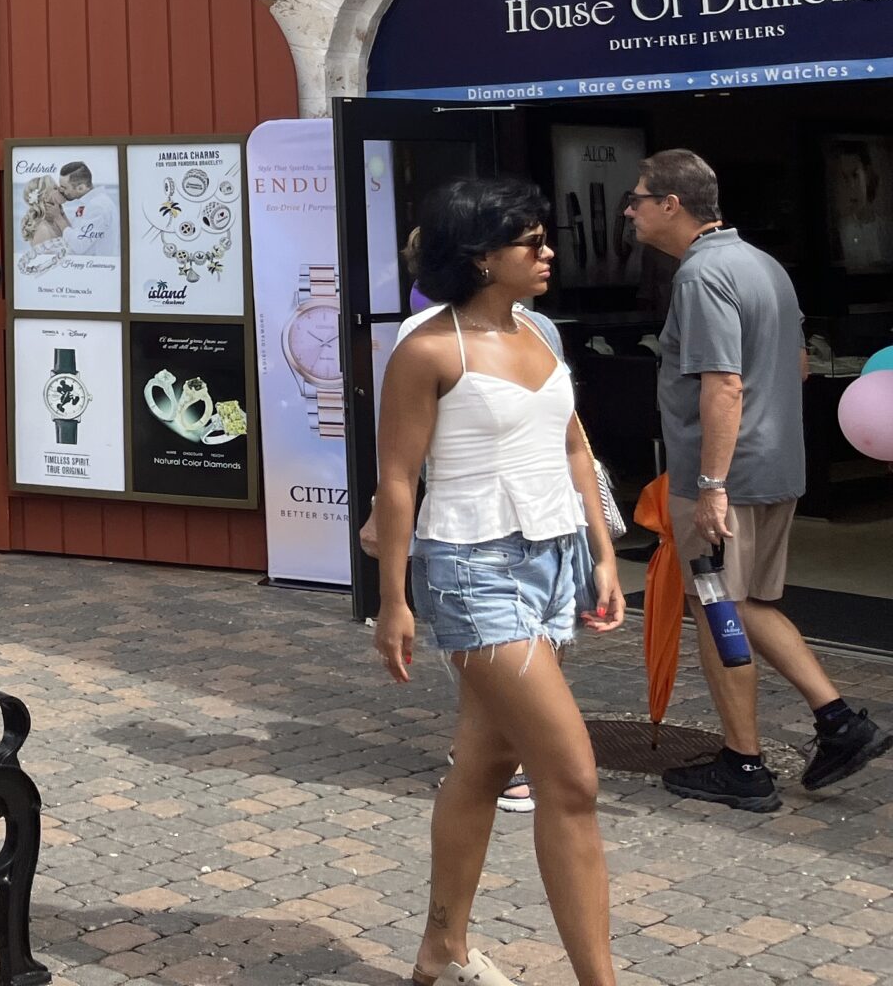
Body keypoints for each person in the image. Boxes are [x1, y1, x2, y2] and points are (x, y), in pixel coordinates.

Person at [373, 177, 624, 986]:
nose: (548, 252)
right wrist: (393, 600)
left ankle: (439, 949)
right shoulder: (428, 348)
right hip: (472, 569)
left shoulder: (537, 332)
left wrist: (604, 551)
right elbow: (398, 480)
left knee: (482, 764)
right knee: (572, 778)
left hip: (553, 562)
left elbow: (574, 446)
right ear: (481, 257)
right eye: (531, 241)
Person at [627, 150, 886, 805]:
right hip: (773, 465)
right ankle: (833, 723)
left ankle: (748, 762)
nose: (628, 210)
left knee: (720, 608)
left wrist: (711, 483)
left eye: (636, 199)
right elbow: (797, 363)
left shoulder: (702, 275)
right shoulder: (763, 265)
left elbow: (723, 384)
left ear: (671, 205)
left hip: (724, 479)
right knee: (744, 604)